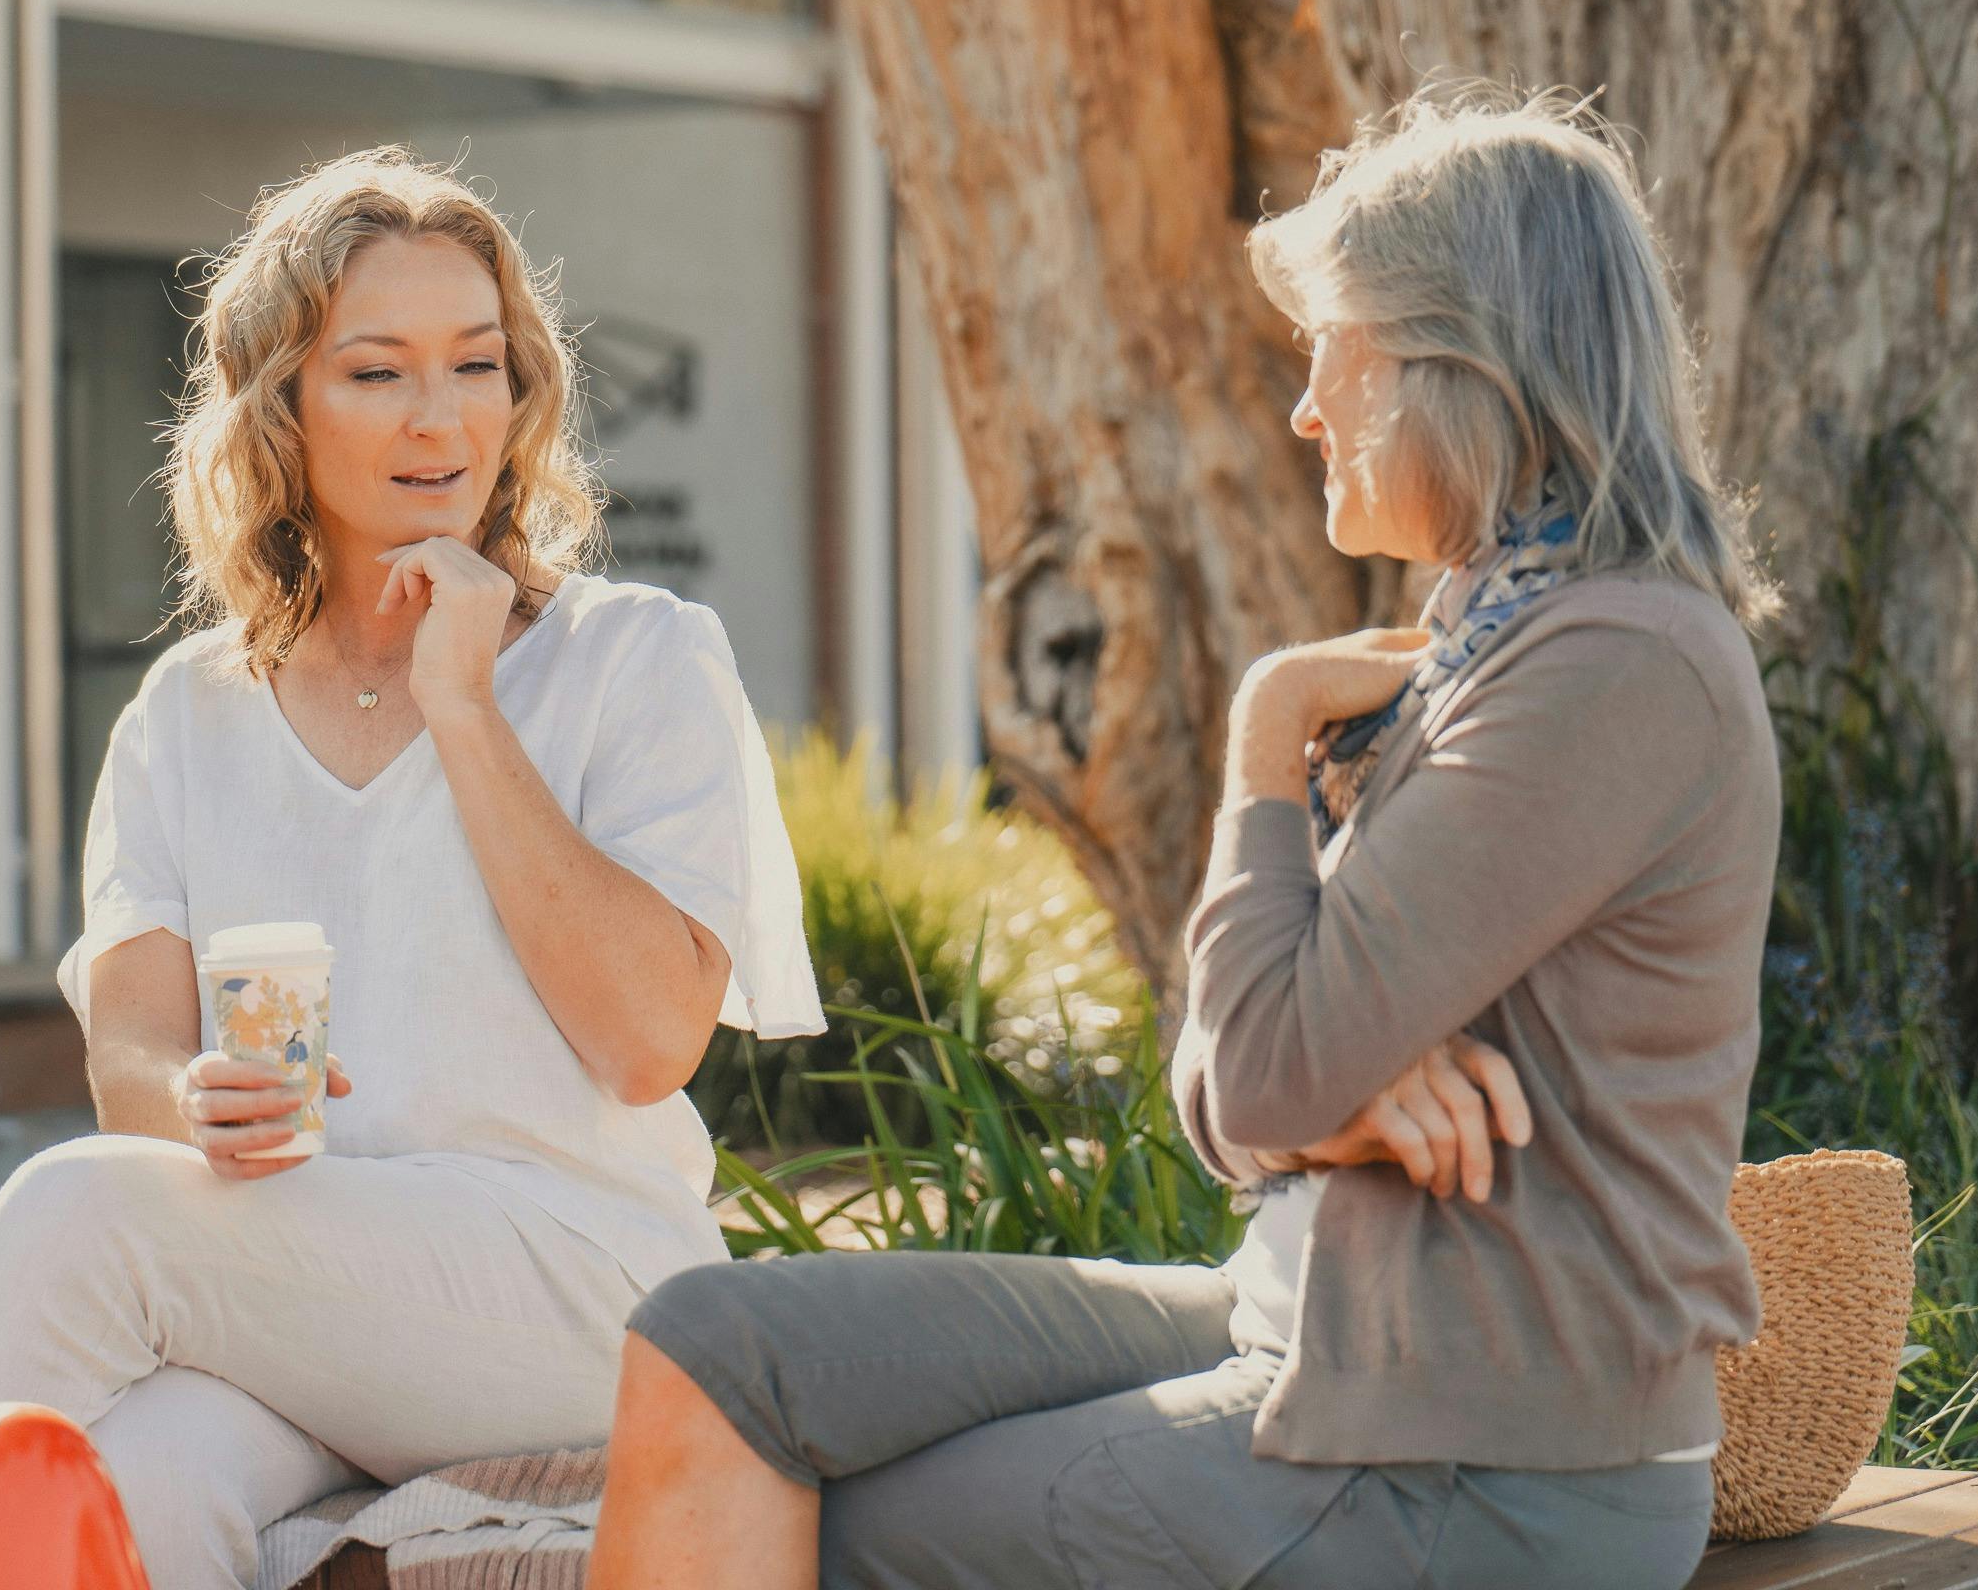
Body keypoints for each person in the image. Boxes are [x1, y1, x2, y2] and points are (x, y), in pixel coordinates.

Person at [588, 86, 1784, 1590]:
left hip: (1474, 1465)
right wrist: (1328, 1096)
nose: (1306, 406)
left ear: (1448, 363)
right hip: (1317, 1325)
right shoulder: (1496, 640)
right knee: (717, 1343)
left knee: (824, 1534)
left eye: (1330, 350)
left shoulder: (1612, 668)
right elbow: (1242, 1078)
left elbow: (1256, 1070)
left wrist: (1265, 730)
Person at [0, 148, 824, 1590]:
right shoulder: (188, 713)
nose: (439, 419)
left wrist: (466, 706)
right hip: (306, 1289)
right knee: (123, 1497)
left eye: (478, 366)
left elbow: (651, 1043)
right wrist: (192, 1101)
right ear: (278, 407)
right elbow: (131, 1066)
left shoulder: (636, 658)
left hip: (585, 1296)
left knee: (69, 1209)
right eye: (377, 372)